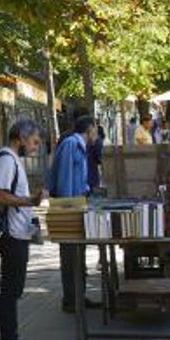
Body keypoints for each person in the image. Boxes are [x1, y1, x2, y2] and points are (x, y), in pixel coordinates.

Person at [0, 119, 46, 340]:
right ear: (21, 138)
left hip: (19, 233)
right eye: (34, 142)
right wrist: (29, 202)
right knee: (10, 291)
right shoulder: (6, 159)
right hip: (11, 235)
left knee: (14, 291)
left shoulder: (13, 160)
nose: (35, 147)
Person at [47, 116, 102, 313]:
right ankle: (71, 299)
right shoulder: (71, 144)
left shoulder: (79, 145)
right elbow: (65, 179)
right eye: (96, 129)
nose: (97, 133)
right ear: (90, 129)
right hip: (69, 206)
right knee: (70, 254)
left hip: (78, 204)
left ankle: (79, 295)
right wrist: (68, 209)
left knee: (78, 254)